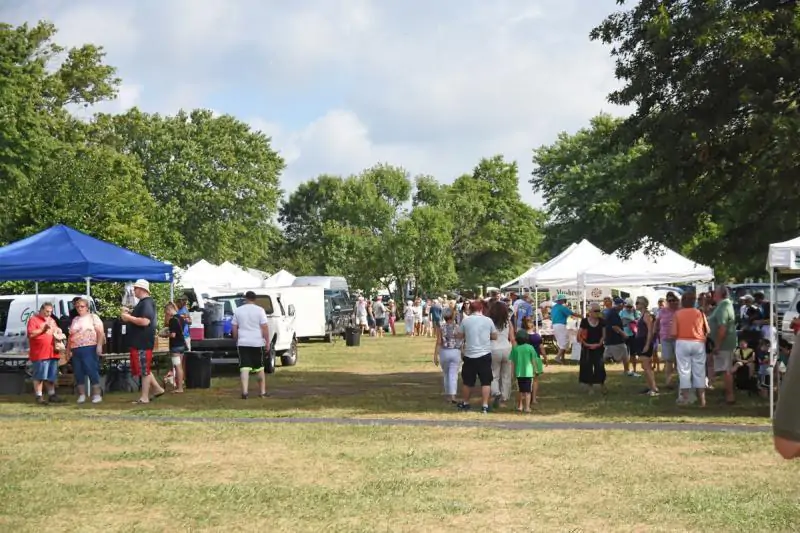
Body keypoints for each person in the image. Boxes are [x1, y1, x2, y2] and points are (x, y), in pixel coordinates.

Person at [121, 280, 165, 404]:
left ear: (141, 289)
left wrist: (128, 317)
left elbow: (145, 321)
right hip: (139, 342)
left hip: (143, 342)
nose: (134, 291)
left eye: (135, 288)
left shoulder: (147, 303)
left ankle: (144, 397)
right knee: (144, 368)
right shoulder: (144, 303)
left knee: (144, 371)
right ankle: (157, 389)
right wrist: (131, 314)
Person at [455, 299, 498, 413]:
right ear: (481, 309)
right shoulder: (488, 320)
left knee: (468, 381)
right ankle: (484, 405)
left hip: (470, 354)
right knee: (486, 381)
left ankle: (465, 402)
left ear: (471, 309)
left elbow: (459, 335)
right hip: (484, 354)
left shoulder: (466, 321)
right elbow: (494, 336)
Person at [671, 292, 709, 407]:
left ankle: (685, 398)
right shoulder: (700, 313)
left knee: (684, 371)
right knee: (699, 371)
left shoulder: (677, 314)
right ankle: (702, 400)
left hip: (682, 342)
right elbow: (708, 330)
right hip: (698, 343)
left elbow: (673, 333)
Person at [232, 291, 270, 399]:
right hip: (257, 342)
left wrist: (236, 339)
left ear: (245, 298)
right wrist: (267, 342)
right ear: (255, 299)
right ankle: (262, 392)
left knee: (244, 367)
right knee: (259, 367)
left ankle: (244, 392)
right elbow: (265, 327)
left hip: (243, 342)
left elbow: (234, 327)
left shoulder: (238, 310)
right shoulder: (260, 310)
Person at [67, 297, 104, 404]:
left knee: (92, 370)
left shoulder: (93, 317)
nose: (79, 308)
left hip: (89, 347)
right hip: (76, 348)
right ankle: (82, 394)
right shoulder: (75, 319)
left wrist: (99, 345)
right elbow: (70, 336)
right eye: (77, 306)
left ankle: (96, 394)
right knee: (78, 372)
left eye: (82, 306)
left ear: (87, 307)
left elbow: (100, 332)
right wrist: (68, 349)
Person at [27, 302, 64, 405]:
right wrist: (43, 329)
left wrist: (59, 331)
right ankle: (39, 396)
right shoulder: (33, 320)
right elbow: (31, 334)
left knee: (51, 376)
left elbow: (56, 330)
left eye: (51, 312)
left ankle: (52, 395)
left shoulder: (52, 320)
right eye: (47, 311)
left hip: (53, 352)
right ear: (41, 310)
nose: (49, 314)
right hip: (40, 353)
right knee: (40, 376)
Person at [707, 286, 738, 404]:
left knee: (726, 370)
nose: (713, 294)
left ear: (720, 294)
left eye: (715, 292)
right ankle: (727, 394)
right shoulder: (723, 305)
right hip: (723, 343)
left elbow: (722, 327)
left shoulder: (723, 306)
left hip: (724, 344)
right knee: (724, 369)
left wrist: (718, 345)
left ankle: (730, 397)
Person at [488, 301, 515, 409]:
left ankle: (495, 392)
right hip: (507, 348)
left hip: (493, 349)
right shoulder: (508, 321)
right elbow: (512, 337)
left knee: (494, 374)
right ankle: (504, 397)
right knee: (506, 375)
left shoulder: (489, 322)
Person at [509, 329, 543, 412]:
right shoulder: (530, 348)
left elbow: (512, 362)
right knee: (528, 391)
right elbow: (533, 360)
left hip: (519, 373)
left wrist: (512, 373)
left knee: (520, 390)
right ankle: (527, 407)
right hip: (528, 373)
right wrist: (535, 370)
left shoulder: (515, 349)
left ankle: (520, 406)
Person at [433, 306, 461, 403]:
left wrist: (435, 355)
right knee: (453, 374)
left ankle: (448, 395)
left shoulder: (441, 327)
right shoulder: (457, 327)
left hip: (444, 351)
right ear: (453, 316)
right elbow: (460, 339)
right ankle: (452, 395)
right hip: (455, 351)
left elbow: (439, 341)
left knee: (446, 374)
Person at [578, 302, 607, 394]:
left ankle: (602, 384)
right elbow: (579, 335)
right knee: (587, 366)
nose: (598, 312)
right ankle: (590, 387)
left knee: (600, 366)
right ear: (590, 312)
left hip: (598, 347)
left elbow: (604, 335)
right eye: (596, 311)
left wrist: (599, 344)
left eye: (599, 310)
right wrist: (586, 344)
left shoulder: (602, 321)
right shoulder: (584, 321)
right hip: (587, 347)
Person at [654, 292, 679, 389]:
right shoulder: (662, 311)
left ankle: (679, 380)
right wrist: (654, 332)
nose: (672, 302)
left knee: (679, 360)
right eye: (669, 300)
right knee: (668, 360)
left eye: (674, 300)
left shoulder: (680, 310)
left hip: (678, 338)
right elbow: (656, 322)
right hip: (665, 338)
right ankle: (668, 381)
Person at [633, 297, 658, 396]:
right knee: (645, 366)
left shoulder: (647, 315)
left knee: (647, 366)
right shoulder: (642, 315)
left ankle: (653, 388)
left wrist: (647, 344)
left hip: (644, 341)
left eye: (638, 303)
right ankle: (650, 387)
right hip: (640, 341)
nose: (636, 304)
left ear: (643, 304)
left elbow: (650, 331)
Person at [551, 294, 580, 363]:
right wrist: (583, 317)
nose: (565, 301)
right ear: (562, 300)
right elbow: (572, 314)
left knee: (561, 342)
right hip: (560, 325)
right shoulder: (562, 307)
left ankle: (562, 358)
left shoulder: (554, 307)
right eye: (564, 300)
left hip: (555, 325)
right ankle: (558, 357)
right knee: (565, 342)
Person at [604, 298, 630, 372]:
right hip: (615, 339)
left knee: (606, 356)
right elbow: (615, 326)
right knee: (625, 354)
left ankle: (596, 367)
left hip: (610, 338)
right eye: (623, 304)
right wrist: (624, 334)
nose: (624, 306)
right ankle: (627, 371)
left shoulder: (612, 312)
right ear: (619, 305)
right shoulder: (613, 313)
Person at [165, 302, 186, 393]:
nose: (166, 314)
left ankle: (179, 388)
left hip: (175, 346)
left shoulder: (173, 320)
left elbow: (173, 335)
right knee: (180, 366)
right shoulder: (181, 318)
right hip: (182, 344)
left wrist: (165, 335)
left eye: (166, 312)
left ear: (169, 310)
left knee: (177, 367)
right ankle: (180, 385)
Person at [619, 298, 642, 377]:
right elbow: (619, 322)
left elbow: (639, 321)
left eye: (630, 306)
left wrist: (633, 321)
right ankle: (626, 369)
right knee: (625, 353)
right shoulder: (621, 312)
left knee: (633, 353)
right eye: (627, 306)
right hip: (624, 334)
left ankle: (634, 369)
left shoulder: (636, 312)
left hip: (633, 334)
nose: (628, 308)